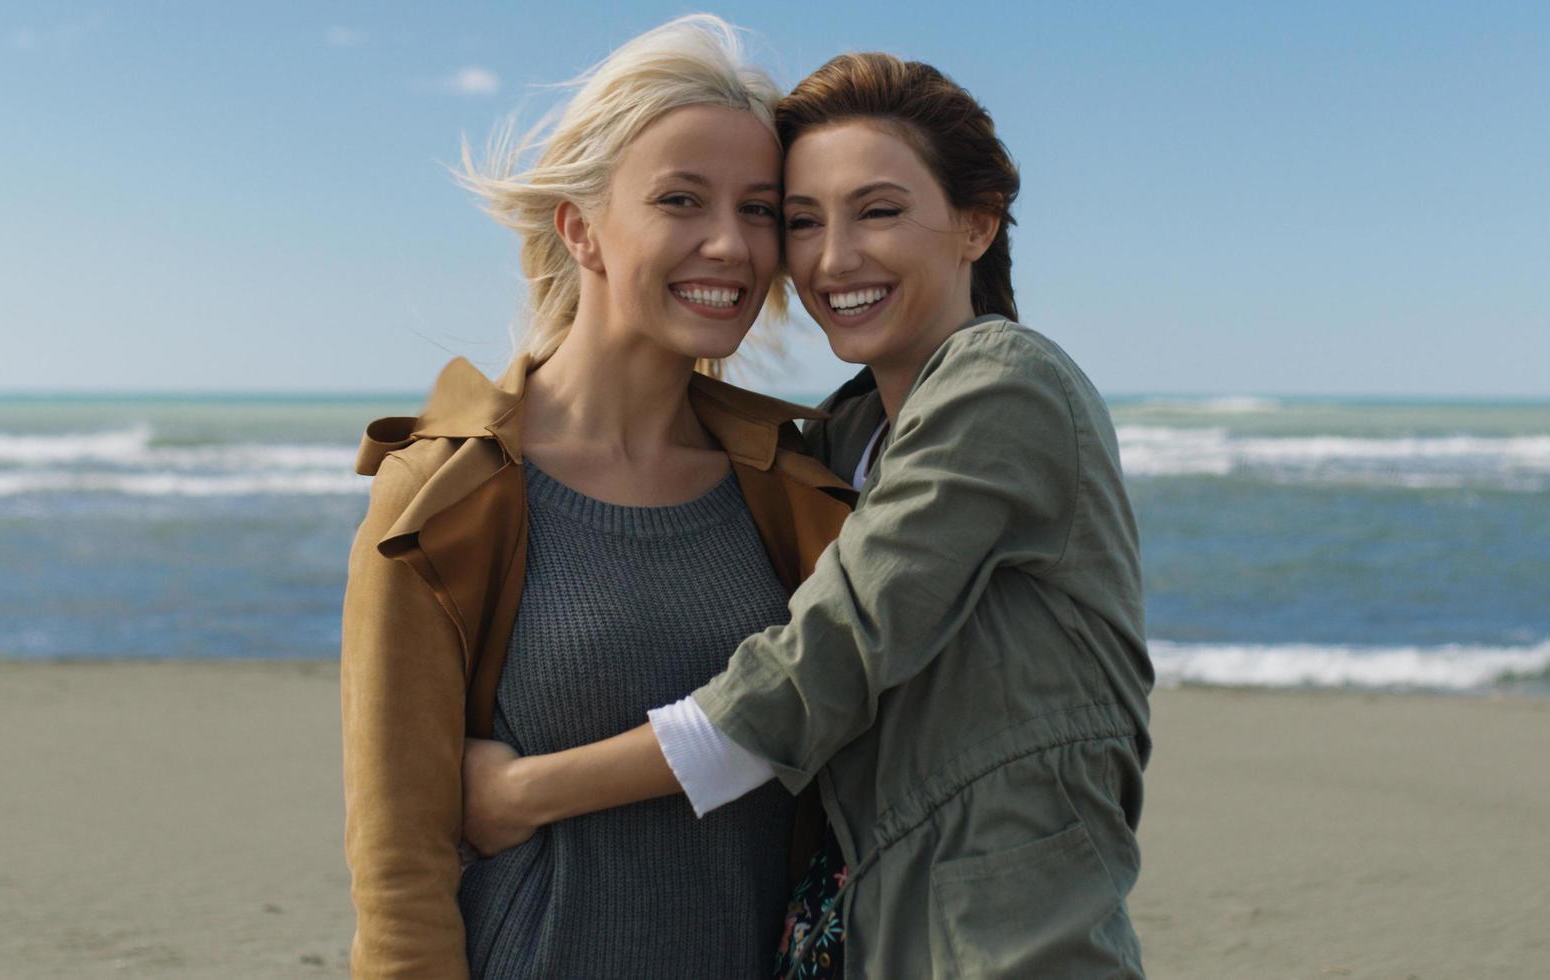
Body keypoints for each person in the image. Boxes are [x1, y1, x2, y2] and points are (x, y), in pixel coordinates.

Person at [462, 52, 1154, 978]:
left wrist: (523, 793)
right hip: (859, 937)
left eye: (878, 211)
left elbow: (820, 664)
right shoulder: (840, 436)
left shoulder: (1005, 384)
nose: (833, 259)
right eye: (798, 220)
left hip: (1010, 947)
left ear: (975, 224)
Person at [339, 16, 852, 979]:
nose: (730, 246)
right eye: (680, 199)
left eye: (758, 210)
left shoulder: (796, 486)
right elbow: (399, 872)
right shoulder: (448, 495)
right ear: (582, 228)